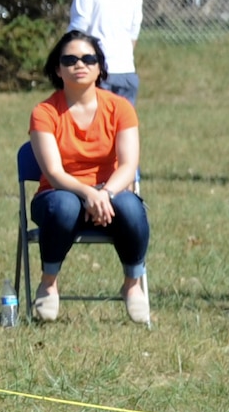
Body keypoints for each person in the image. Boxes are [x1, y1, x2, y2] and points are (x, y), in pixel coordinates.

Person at [27, 30, 148, 325]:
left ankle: (132, 285)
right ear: (57, 69)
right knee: (66, 206)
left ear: (99, 67)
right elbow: (54, 173)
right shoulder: (44, 112)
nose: (79, 64)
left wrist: (104, 194)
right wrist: (88, 193)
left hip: (110, 195)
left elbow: (129, 164)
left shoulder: (120, 108)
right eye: (69, 59)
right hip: (58, 196)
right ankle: (49, 283)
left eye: (88, 58)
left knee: (132, 208)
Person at [69, 0, 142, 105]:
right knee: (123, 128)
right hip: (125, 70)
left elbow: (78, 30)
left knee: (96, 127)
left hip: (96, 70)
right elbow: (133, 34)